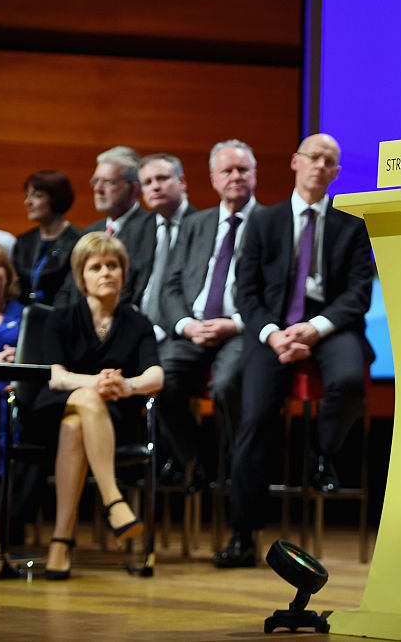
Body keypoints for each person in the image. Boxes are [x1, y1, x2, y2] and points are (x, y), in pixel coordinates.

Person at [215, 133, 374, 568]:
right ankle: (243, 534)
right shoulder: (264, 222)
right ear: (294, 162)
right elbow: (245, 291)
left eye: (329, 162)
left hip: (330, 326)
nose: (320, 166)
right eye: (313, 158)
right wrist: (273, 333)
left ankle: (324, 456)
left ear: (336, 173)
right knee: (255, 419)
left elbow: (359, 294)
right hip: (272, 331)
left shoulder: (351, 224)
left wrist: (313, 329)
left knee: (346, 380)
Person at [31, 232, 164, 580]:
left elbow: (156, 375)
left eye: (112, 265)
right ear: (82, 276)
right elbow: (57, 377)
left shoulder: (137, 321)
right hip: (54, 408)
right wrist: (97, 383)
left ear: (123, 272)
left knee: (75, 426)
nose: (105, 272)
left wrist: (127, 384)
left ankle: (61, 540)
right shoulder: (60, 318)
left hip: (112, 420)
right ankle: (113, 500)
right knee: (81, 407)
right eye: (96, 267)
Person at [156, 140, 260, 488]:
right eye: (227, 171)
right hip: (193, 330)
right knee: (161, 381)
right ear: (213, 179)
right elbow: (170, 285)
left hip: (240, 331)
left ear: (254, 175)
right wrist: (186, 326)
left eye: (242, 169)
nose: (235, 177)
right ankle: (200, 458)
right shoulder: (196, 223)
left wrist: (235, 324)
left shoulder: (270, 222)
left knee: (228, 386)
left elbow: (279, 292)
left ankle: (236, 469)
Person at [53, 146, 152, 308]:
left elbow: (131, 290)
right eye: (95, 181)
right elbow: (69, 288)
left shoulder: (151, 229)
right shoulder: (90, 232)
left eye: (108, 182)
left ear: (133, 188)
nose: (97, 189)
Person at [130, 152, 197, 341]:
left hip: (179, 331)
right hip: (137, 327)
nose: (155, 187)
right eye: (148, 182)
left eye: (162, 178)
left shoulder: (202, 227)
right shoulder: (138, 229)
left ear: (182, 182)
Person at [12, 170, 81, 306]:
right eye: (27, 195)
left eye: (37, 196)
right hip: (25, 317)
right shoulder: (23, 242)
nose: (28, 202)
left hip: (61, 317)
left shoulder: (78, 241)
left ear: (56, 198)